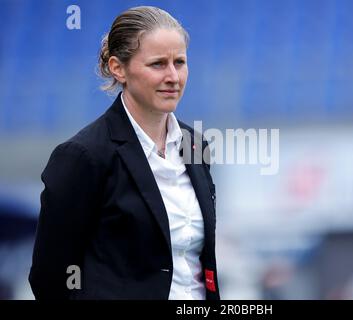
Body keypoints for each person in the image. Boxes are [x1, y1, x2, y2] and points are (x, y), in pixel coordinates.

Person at [28, 6, 219, 300]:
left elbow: (200, 265)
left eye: (179, 62)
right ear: (118, 68)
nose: (173, 76)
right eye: (157, 64)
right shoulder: (83, 156)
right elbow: (50, 277)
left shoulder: (196, 146)